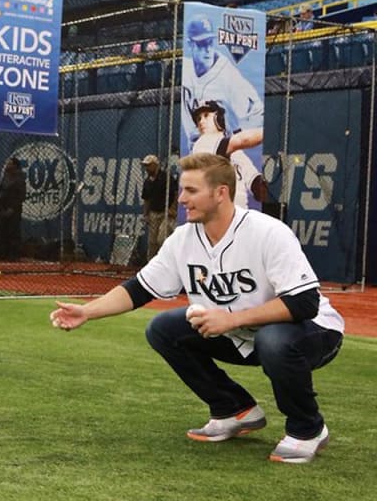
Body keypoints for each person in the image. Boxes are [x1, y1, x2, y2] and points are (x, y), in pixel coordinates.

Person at [50, 153, 344, 464]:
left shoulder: (267, 232)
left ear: (221, 193)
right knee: (164, 330)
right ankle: (235, 409)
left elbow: (304, 303)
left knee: (273, 340)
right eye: (182, 190)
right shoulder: (184, 239)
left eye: (191, 191)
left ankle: (307, 428)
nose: (181, 199)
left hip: (313, 332)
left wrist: (231, 319)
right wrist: (88, 311)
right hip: (244, 332)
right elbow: (139, 288)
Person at [181, 16, 264, 145]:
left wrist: (232, 141)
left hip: (222, 152)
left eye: (210, 42)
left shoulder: (228, 76)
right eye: (202, 44)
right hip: (199, 151)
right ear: (190, 44)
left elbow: (257, 113)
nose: (208, 49)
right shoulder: (185, 70)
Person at [190, 101, 267, 208]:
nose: (201, 122)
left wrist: (258, 185)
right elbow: (243, 140)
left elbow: (251, 176)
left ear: (219, 119)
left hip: (235, 215)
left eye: (206, 116)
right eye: (198, 119)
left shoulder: (234, 152)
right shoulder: (202, 144)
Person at [140, 154, 176, 260]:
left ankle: (165, 263)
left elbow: (175, 193)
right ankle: (150, 265)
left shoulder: (166, 177)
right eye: (145, 166)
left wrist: (172, 209)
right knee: (152, 242)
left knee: (161, 239)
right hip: (153, 213)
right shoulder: (147, 182)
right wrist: (146, 214)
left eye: (149, 165)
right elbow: (146, 199)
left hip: (166, 213)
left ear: (155, 165)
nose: (146, 168)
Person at [0, 157, 26, 261]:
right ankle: (3, 254)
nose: (7, 165)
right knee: (3, 231)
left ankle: (14, 255)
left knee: (14, 232)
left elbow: (21, 196)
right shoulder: (6, 176)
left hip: (14, 209)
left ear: (15, 166)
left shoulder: (19, 178)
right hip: (3, 207)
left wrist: (12, 208)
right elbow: (0, 190)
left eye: (10, 163)